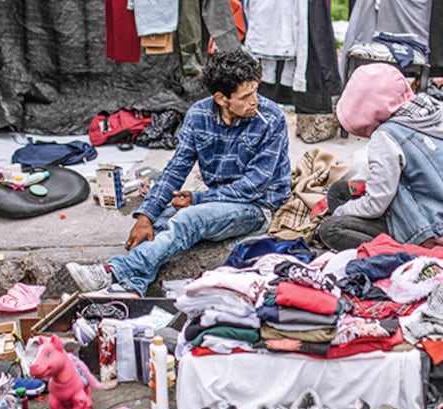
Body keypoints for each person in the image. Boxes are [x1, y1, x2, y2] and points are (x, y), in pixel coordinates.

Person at [66, 50, 291, 294]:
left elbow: (254, 185)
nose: (254, 101)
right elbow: (175, 169)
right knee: (161, 221)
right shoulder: (198, 115)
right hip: (218, 199)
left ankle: (113, 271)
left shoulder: (271, 118)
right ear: (221, 98)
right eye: (246, 96)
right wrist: (146, 216)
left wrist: (197, 199)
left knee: (188, 218)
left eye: (255, 92)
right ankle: (133, 287)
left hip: (258, 205)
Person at [316, 63, 443, 250]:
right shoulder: (431, 109)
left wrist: (342, 212)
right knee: (339, 191)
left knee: (331, 229)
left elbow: (376, 203)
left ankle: (400, 249)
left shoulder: (385, 138)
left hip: (428, 230)